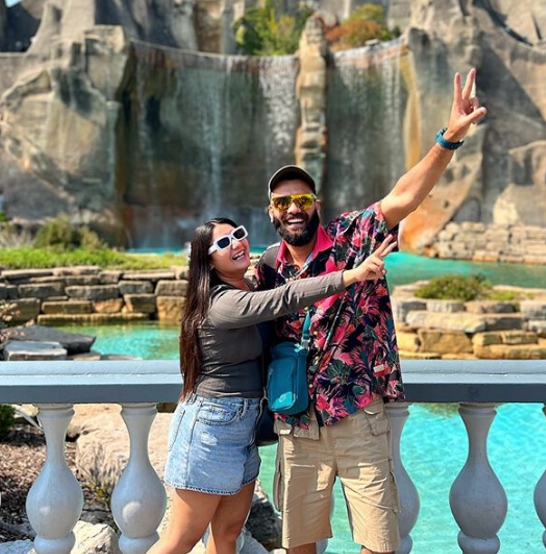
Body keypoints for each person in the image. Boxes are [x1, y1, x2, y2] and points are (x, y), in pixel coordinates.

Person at [258, 69, 486, 554]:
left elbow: (405, 195)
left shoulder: (351, 237)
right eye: (283, 202)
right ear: (272, 213)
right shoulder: (265, 269)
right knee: (297, 544)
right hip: (296, 423)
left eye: (301, 198)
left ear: (315, 203)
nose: (293, 208)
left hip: (358, 417)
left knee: (379, 544)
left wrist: (448, 138)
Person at [150, 219, 392, 554]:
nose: (236, 244)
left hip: (245, 426)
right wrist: (351, 275)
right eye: (223, 244)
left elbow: (283, 270)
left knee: (228, 532)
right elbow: (287, 297)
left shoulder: (249, 287)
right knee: (182, 538)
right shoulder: (221, 303)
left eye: (238, 235)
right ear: (207, 261)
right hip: (210, 427)